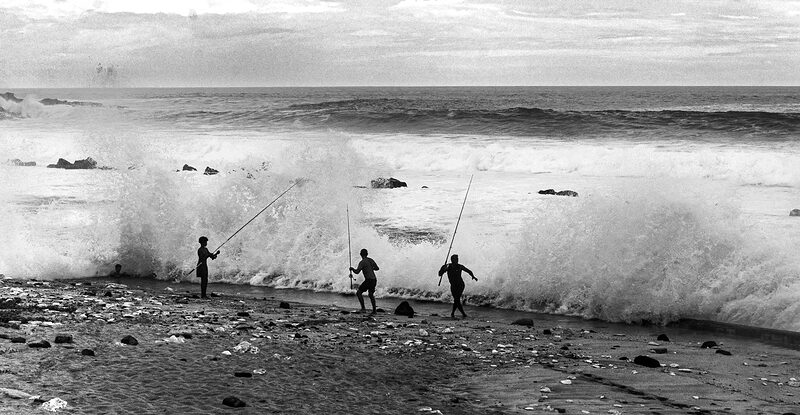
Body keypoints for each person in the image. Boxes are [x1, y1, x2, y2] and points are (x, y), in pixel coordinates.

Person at [438, 254, 477, 318]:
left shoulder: (460, 266)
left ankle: (463, 314)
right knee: (456, 300)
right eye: (455, 259)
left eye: (457, 259)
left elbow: (469, 271)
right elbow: (439, 274)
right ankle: (453, 313)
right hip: (453, 286)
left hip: (460, 285)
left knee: (457, 299)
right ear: (452, 260)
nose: (457, 260)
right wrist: (443, 270)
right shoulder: (447, 266)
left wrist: (473, 276)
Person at [349, 248, 379, 314]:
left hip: (368, 280)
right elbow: (377, 268)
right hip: (374, 280)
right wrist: (371, 268)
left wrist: (352, 269)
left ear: (360, 254)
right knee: (371, 294)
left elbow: (357, 272)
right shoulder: (371, 260)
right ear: (367, 254)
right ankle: (374, 310)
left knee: (359, 293)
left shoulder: (362, 262)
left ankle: (363, 308)